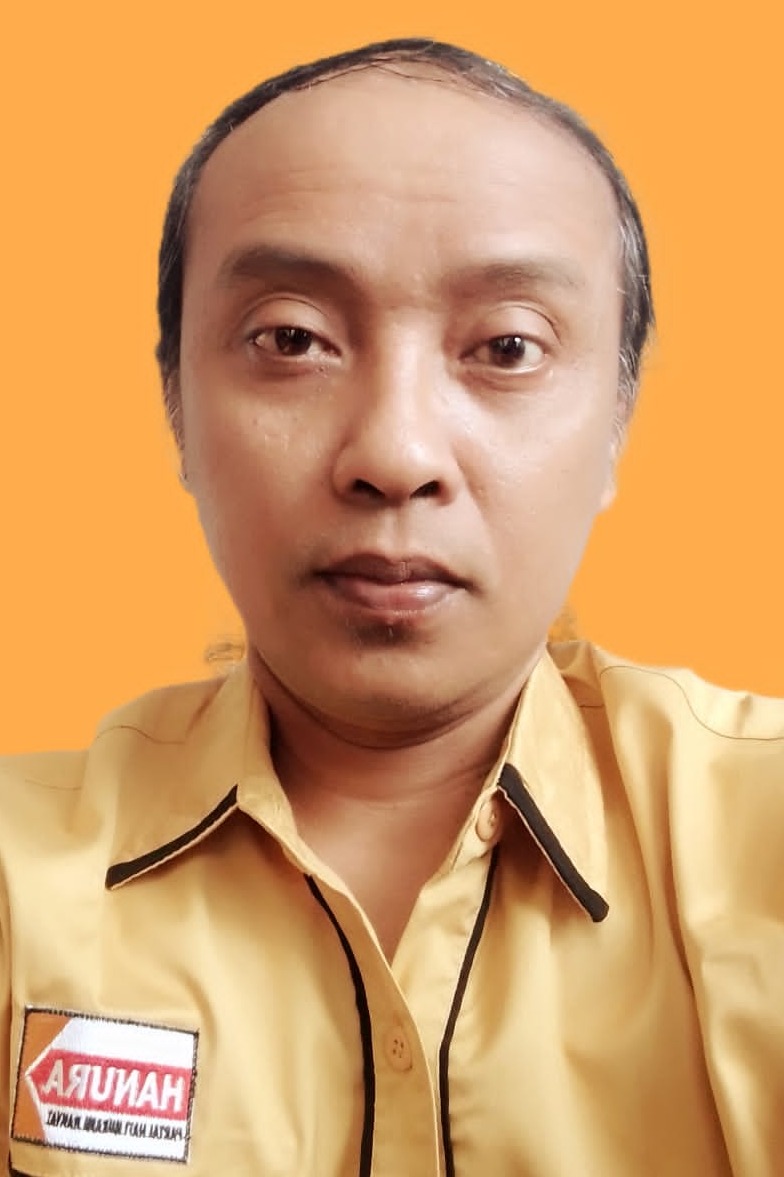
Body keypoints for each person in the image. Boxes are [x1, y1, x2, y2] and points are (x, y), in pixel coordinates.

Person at [1, 37, 781, 1177]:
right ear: (175, 399)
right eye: (292, 339)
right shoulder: (20, 881)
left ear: (618, 417)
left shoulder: (760, 840)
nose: (395, 452)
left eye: (506, 347)